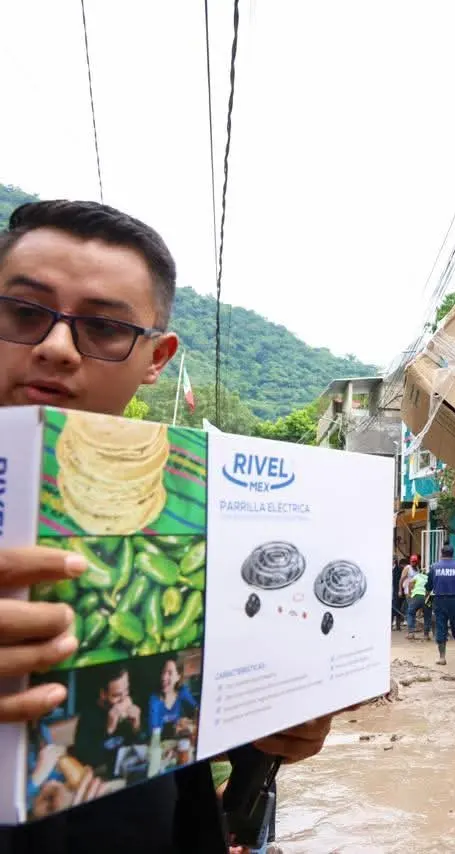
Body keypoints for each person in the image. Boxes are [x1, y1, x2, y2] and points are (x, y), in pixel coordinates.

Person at [0, 199, 337, 853]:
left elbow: (205, 705)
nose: (56, 347)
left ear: (157, 357)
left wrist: (273, 729)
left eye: (102, 327)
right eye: (24, 313)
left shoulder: (205, 514)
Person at [428, 543, 455, 664]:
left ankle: (442, 657)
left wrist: (427, 600)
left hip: (439, 601)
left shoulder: (434, 567)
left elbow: (428, 586)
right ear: (452, 554)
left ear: (441, 554)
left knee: (441, 627)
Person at [147, 658, 198, 738]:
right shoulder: (155, 700)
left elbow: (197, 710)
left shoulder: (182, 692)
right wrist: (176, 728)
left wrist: (190, 723)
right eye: (163, 672)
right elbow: (153, 733)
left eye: (170, 673)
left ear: (178, 677)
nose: (163, 677)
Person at [405, 563, 432, 641]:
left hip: (417, 596)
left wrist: (410, 594)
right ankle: (426, 635)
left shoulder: (417, 576)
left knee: (410, 612)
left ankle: (411, 633)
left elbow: (410, 584)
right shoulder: (428, 578)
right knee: (428, 615)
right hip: (428, 597)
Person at [391, 557, 408, 630]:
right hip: (392, 591)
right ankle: (391, 625)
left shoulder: (399, 569)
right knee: (392, 608)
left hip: (397, 591)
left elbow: (400, 580)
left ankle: (397, 625)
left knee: (397, 607)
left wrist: (400, 590)